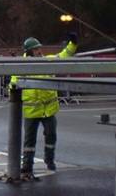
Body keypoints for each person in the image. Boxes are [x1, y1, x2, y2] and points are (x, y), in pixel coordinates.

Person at [10, 33, 78, 179]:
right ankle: (27, 166)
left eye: (39, 49)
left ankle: (50, 160)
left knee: (51, 136)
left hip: (48, 110)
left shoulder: (48, 61)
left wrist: (73, 43)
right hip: (32, 111)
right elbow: (13, 82)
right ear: (28, 52)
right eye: (36, 50)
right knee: (29, 141)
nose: (39, 51)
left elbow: (64, 55)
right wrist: (13, 88)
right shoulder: (21, 66)